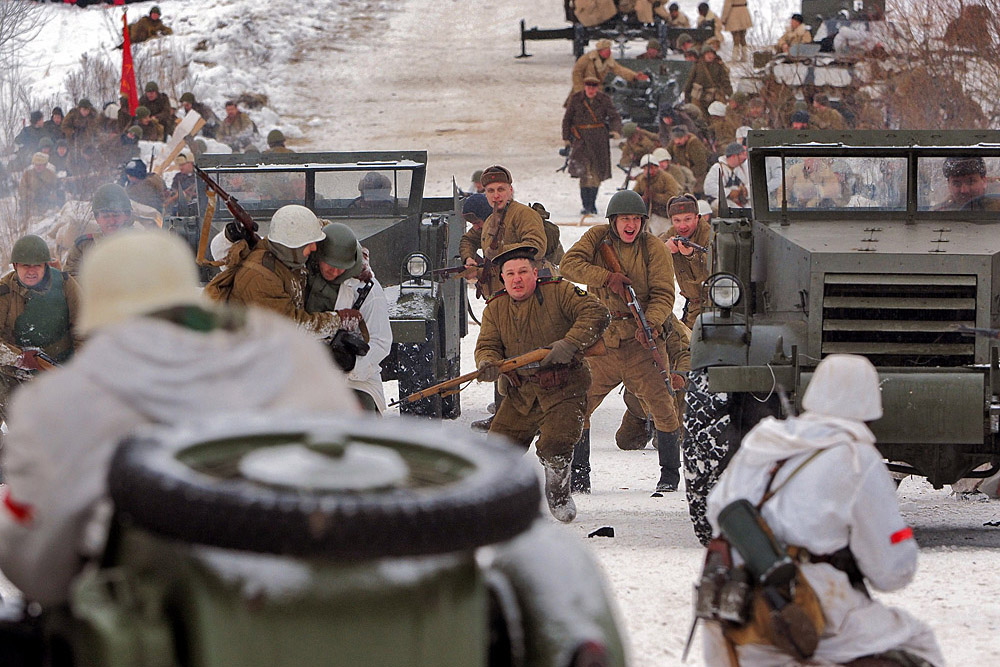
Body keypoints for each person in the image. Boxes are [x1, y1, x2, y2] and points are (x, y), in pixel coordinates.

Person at [0, 229, 360, 609]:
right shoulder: (292, 354)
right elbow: (352, 482)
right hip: (299, 603)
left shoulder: (56, 402)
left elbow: (33, 567)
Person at [701, 354, 945, 666]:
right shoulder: (857, 458)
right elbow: (891, 572)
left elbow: (716, 509)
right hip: (803, 615)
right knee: (918, 642)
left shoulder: (762, 442)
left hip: (730, 611)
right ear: (870, 404)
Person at [475, 244, 610, 522]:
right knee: (497, 451)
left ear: (535, 273)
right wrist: (487, 363)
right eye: (510, 273)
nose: (517, 279)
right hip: (521, 393)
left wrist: (569, 344)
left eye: (523, 271)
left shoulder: (559, 291)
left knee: (556, 444)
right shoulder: (495, 308)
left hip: (565, 388)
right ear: (502, 278)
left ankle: (559, 493)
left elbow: (597, 313)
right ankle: (499, 505)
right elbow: (487, 345)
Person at [560, 190, 680, 496]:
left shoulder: (654, 248)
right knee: (579, 405)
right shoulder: (597, 237)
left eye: (636, 219)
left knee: (664, 406)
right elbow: (568, 265)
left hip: (641, 341)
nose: (630, 225)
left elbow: (665, 294)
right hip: (602, 340)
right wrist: (605, 277)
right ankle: (580, 475)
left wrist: (649, 322)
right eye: (624, 219)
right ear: (613, 221)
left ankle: (669, 476)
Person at [220, 204, 360, 340]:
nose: (314, 248)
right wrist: (338, 320)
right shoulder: (261, 277)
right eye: (309, 244)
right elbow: (293, 326)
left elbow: (319, 228)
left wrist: (354, 258)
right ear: (293, 247)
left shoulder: (285, 251)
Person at [306, 222, 391, 413]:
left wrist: (352, 365)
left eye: (342, 267)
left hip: (354, 381)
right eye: (330, 264)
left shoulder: (367, 289)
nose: (335, 272)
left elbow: (382, 341)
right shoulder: (300, 277)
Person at [0, 235, 82, 427]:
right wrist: (18, 357)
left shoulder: (65, 284)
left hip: (63, 367)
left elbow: (84, 329)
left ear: (46, 265)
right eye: (25, 266)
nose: (31, 271)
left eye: (36, 265)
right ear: (15, 266)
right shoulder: (4, 292)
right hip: (17, 373)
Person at [459, 165, 549, 298]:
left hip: (530, 294)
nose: (496, 195)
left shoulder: (524, 214)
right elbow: (469, 240)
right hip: (501, 296)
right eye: (490, 191)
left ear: (510, 190)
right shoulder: (490, 220)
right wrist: (469, 259)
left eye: (501, 189)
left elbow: (536, 246)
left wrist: (500, 251)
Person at [562, 75, 623, 216]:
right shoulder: (576, 98)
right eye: (588, 87)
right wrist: (566, 138)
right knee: (583, 172)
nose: (591, 90)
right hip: (580, 139)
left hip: (598, 140)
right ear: (585, 87)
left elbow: (614, 116)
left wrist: (615, 130)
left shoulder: (604, 99)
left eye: (593, 87)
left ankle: (592, 204)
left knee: (596, 172)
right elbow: (567, 119)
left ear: (597, 88)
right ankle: (585, 205)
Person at [64, 183, 140, 277]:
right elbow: (71, 281)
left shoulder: (141, 244)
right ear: (97, 219)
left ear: (127, 215)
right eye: (106, 216)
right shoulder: (84, 246)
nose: (112, 221)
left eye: (116, 215)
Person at [662, 194, 712, 328]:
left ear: (697, 217)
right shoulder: (673, 233)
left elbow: (714, 268)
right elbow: (651, 250)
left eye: (687, 219)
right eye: (677, 220)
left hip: (713, 307)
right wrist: (664, 249)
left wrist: (691, 255)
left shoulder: (710, 235)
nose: (682, 226)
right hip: (692, 307)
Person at [567, 39, 649, 104]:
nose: (609, 52)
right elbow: (576, 73)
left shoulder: (608, 60)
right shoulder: (586, 59)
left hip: (596, 90)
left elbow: (619, 70)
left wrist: (634, 76)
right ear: (600, 51)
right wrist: (580, 90)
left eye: (609, 49)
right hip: (584, 89)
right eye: (606, 50)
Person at [633, 153, 683, 235]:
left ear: (657, 167)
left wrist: (655, 196)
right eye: (645, 168)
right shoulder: (641, 180)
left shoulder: (666, 178)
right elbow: (634, 194)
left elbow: (672, 197)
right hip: (648, 215)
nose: (648, 171)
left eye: (652, 167)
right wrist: (641, 199)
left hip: (664, 215)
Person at [684, 43, 732, 115]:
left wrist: (730, 94)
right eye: (707, 54)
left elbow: (725, 80)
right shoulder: (697, 65)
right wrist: (687, 95)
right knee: (699, 115)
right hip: (699, 95)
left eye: (711, 54)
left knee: (718, 114)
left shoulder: (718, 65)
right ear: (703, 55)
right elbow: (690, 80)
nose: (709, 56)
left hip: (714, 95)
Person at [703, 142, 749, 212]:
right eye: (741, 154)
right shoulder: (718, 167)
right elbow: (709, 188)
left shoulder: (742, 167)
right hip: (723, 203)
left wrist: (745, 190)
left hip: (741, 202)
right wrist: (729, 193)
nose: (744, 157)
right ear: (733, 156)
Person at [667, 125, 709, 195]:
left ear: (686, 136)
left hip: (696, 174)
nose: (677, 141)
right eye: (675, 139)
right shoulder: (674, 142)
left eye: (680, 138)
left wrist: (686, 173)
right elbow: (667, 154)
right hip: (681, 171)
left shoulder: (694, 144)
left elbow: (701, 166)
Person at [17, 153, 59, 218]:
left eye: (40, 165)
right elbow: (22, 189)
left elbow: (56, 188)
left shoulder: (51, 175)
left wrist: (51, 195)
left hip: (45, 202)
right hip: (30, 201)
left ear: (45, 165)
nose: (38, 167)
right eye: (36, 164)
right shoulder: (27, 174)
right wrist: (30, 194)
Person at [165, 152, 197, 216]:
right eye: (179, 165)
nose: (180, 167)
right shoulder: (178, 177)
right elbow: (173, 190)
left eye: (183, 165)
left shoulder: (198, 177)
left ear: (191, 164)